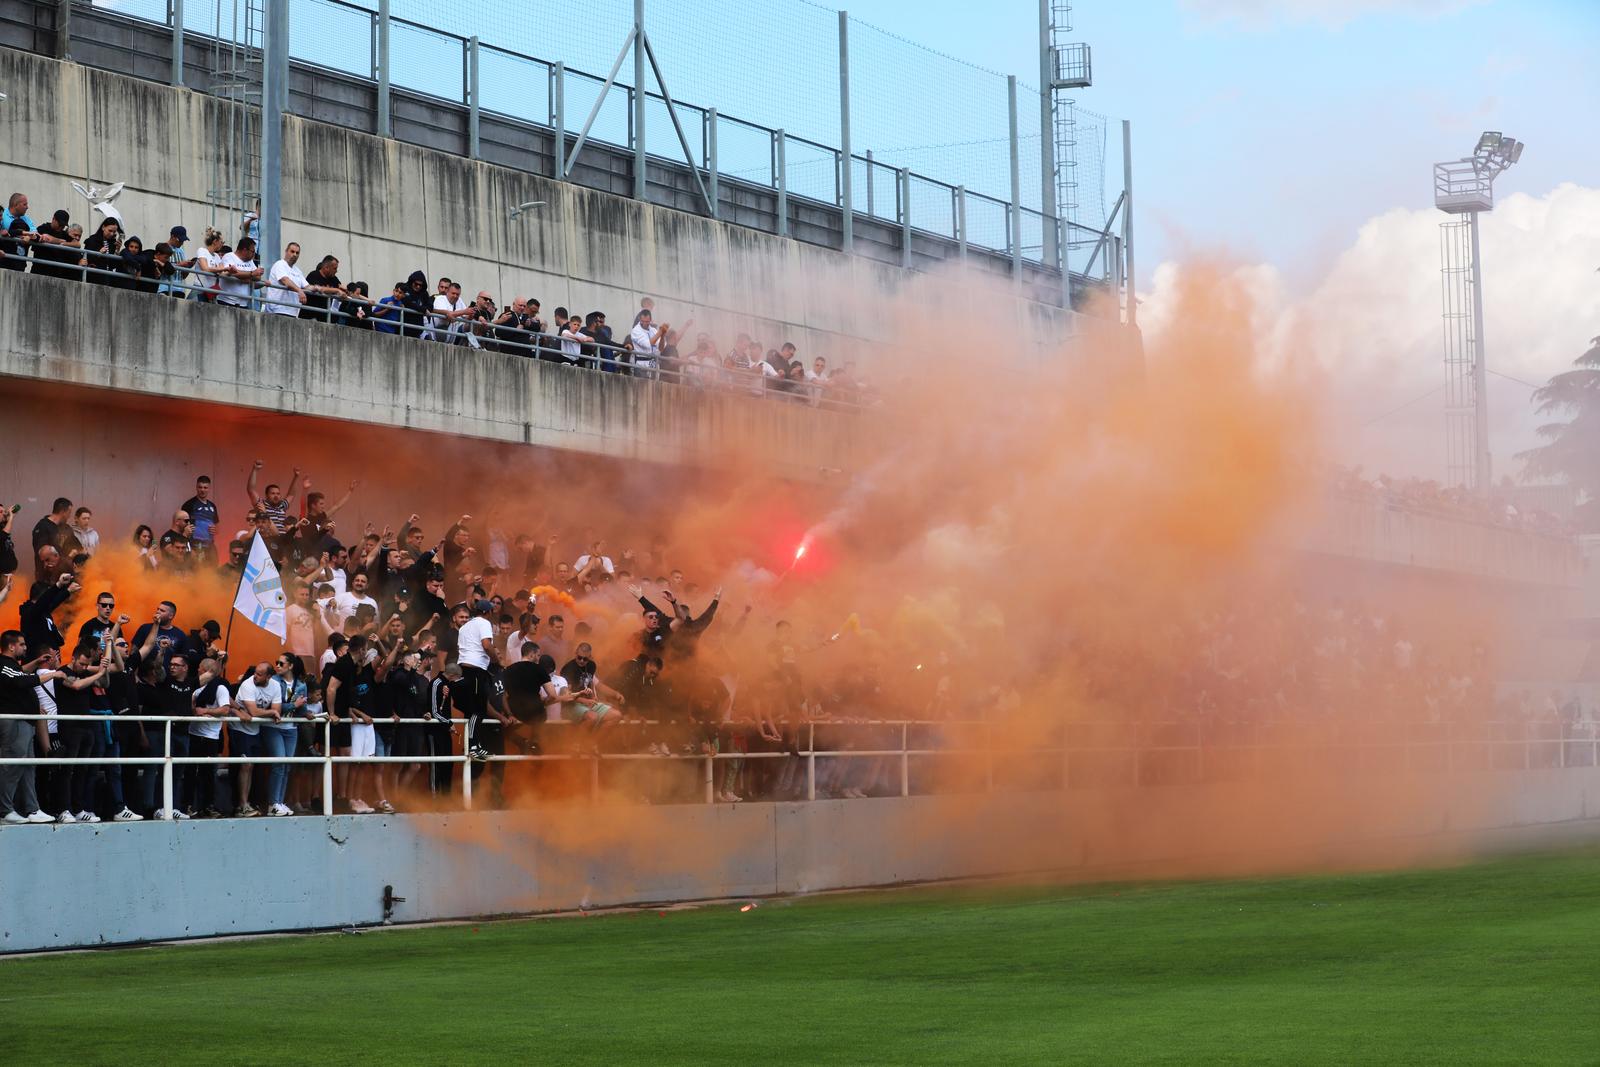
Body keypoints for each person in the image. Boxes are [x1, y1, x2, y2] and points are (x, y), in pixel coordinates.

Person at [0, 629, 65, 824]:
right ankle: (4, 810)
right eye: (22, 644)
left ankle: (32, 809)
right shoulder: (3, 664)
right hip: (14, 722)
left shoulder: (12, 666)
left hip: (25, 722)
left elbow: (20, 673)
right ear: (11, 646)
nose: (25, 648)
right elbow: (20, 680)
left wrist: (36, 663)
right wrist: (53, 674)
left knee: (28, 766)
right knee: (12, 765)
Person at [232, 661, 282, 817]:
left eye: (260, 674)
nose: (255, 676)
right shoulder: (247, 685)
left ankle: (246, 803)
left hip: (255, 730)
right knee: (245, 765)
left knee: (252, 766)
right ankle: (242, 805)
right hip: (239, 729)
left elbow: (277, 709)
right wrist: (271, 713)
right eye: (255, 672)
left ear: (268, 676)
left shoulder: (275, 686)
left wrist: (273, 712)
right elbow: (254, 711)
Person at [264, 241, 309, 316]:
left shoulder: (298, 271)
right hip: (277, 310)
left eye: (297, 253)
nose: (294, 254)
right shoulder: (280, 264)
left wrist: (318, 288)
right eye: (292, 251)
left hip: (293, 312)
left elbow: (307, 286)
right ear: (286, 251)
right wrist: (299, 290)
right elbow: (285, 281)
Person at [217, 236, 263, 307]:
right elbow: (233, 272)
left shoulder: (250, 261)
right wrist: (251, 274)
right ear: (244, 250)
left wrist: (246, 276)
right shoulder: (229, 256)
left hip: (244, 304)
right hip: (227, 301)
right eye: (252, 251)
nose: (254, 254)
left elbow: (258, 276)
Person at [628, 308, 669, 378]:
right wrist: (660, 332)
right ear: (640, 320)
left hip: (654, 366)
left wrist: (662, 335)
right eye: (642, 321)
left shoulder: (653, 330)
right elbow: (648, 344)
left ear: (650, 320)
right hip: (641, 366)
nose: (645, 323)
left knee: (654, 388)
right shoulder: (636, 331)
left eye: (647, 321)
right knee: (642, 388)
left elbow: (661, 348)